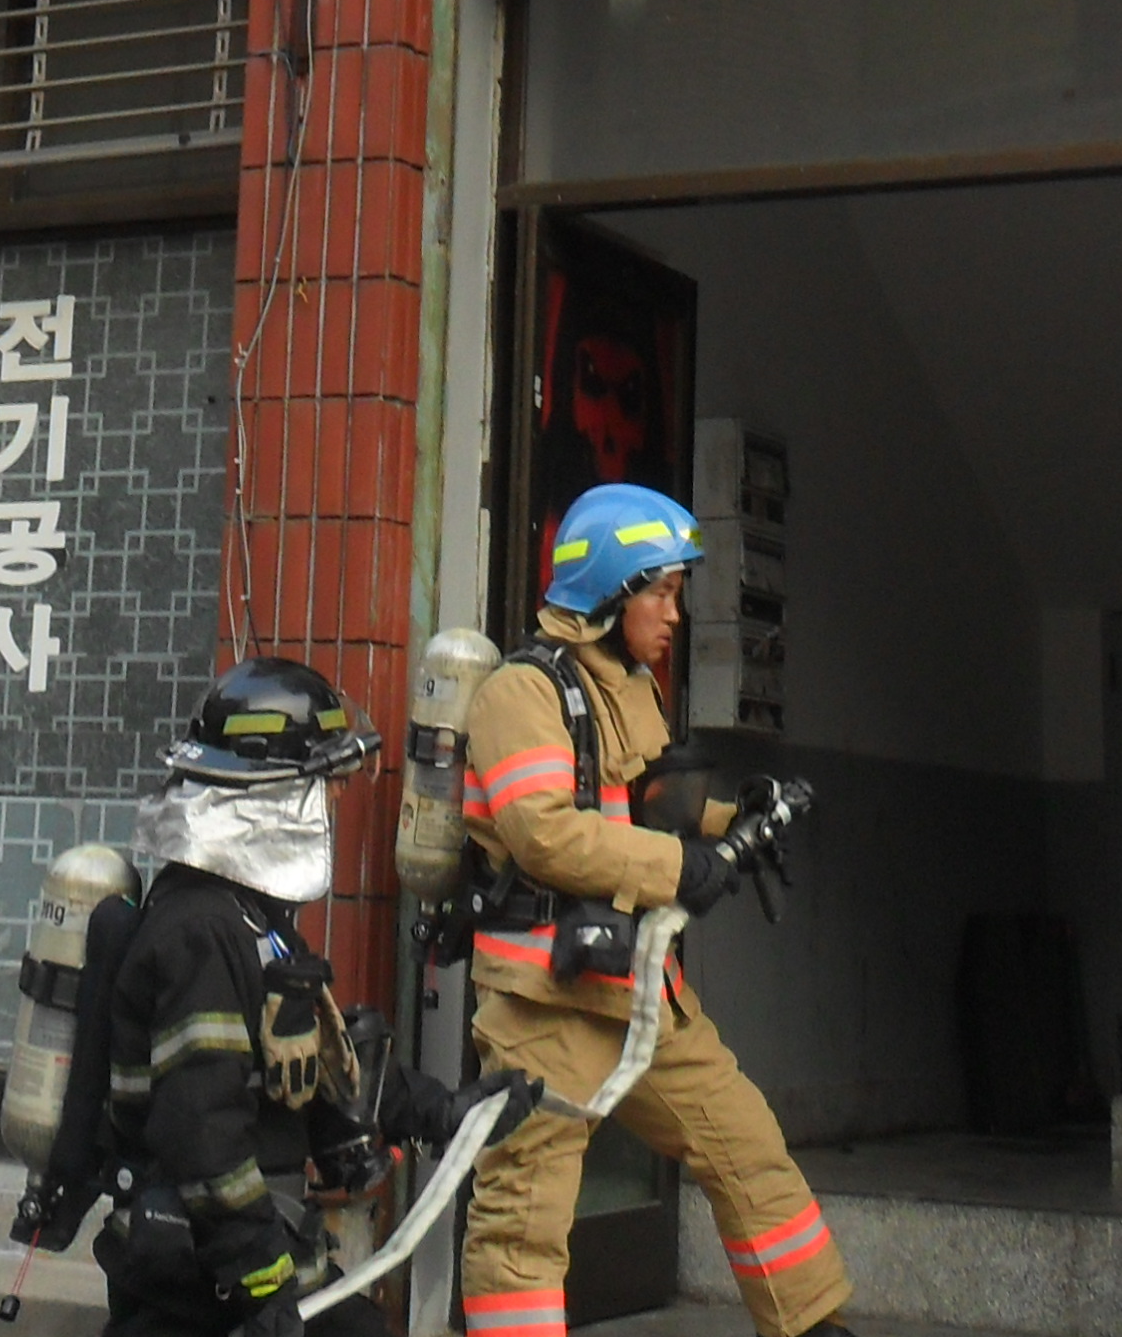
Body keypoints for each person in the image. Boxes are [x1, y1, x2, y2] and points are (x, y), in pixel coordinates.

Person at [459, 484, 850, 1337]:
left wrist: (734, 823)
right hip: (548, 1005)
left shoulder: (629, 686)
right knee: (525, 1220)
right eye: (662, 592)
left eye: (677, 593)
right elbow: (545, 835)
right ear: (610, 590)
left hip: (639, 992)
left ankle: (814, 1326)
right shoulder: (521, 695)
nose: (675, 614)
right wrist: (683, 867)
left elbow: (640, 807)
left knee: (746, 1147)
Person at [100, 656, 527, 1337]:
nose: (334, 802)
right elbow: (200, 1129)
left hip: (240, 1259)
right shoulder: (200, 932)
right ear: (272, 795)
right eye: (323, 784)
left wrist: (444, 1111)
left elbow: (325, 1059)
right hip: (198, 1277)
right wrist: (260, 1277)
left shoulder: (250, 919)